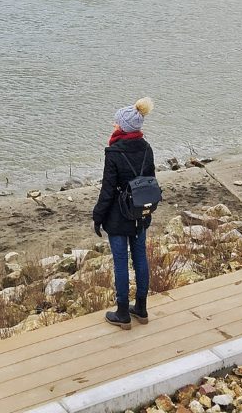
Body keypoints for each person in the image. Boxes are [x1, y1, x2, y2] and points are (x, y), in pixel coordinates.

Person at [92, 97, 155, 329]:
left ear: (124, 127)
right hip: (141, 213)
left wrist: (98, 217)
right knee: (140, 258)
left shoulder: (114, 152)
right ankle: (141, 308)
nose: (113, 125)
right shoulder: (147, 148)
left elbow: (107, 190)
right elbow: (151, 181)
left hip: (118, 217)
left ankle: (122, 313)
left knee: (120, 262)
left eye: (116, 123)